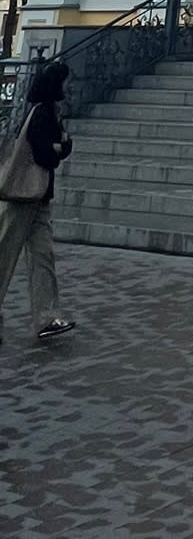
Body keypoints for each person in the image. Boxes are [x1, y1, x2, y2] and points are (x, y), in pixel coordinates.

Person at [0, 58, 76, 344]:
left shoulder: (52, 113)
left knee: (44, 259)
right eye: (66, 81)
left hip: (39, 197)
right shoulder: (42, 114)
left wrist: (61, 146)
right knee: (4, 257)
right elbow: (45, 154)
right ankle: (46, 316)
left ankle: (47, 317)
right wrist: (62, 146)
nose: (69, 86)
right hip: (22, 197)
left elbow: (57, 149)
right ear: (57, 83)